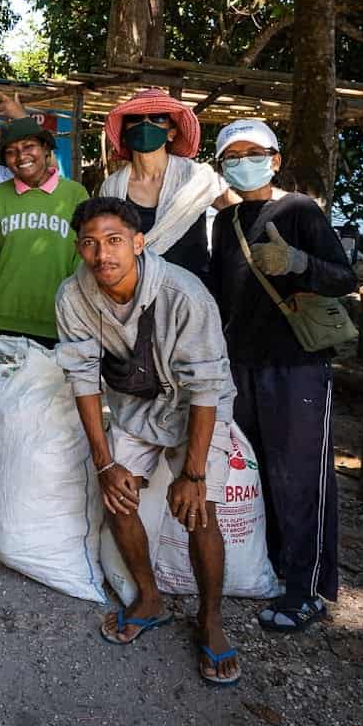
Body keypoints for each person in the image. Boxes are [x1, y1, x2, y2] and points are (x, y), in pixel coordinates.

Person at [55, 197, 241, 685]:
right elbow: (83, 379)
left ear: (138, 243)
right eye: (90, 244)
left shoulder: (185, 294)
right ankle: (150, 597)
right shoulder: (73, 295)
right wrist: (104, 463)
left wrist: (194, 473)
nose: (103, 255)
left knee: (200, 508)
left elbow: (206, 385)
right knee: (117, 495)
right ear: (79, 249)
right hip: (136, 403)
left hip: (196, 405)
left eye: (114, 240)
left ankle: (211, 620)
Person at [208, 119, 356, 634]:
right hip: (240, 365)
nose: (242, 162)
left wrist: (297, 261)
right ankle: (269, 567)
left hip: (296, 366)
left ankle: (308, 588)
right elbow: (218, 295)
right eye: (232, 155)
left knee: (301, 478)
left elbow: (344, 277)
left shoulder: (299, 210)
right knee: (257, 472)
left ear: (274, 159)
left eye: (253, 153)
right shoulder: (224, 224)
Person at [0, 116, 88, 346]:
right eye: (11, 152)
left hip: (60, 319)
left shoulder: (75, 194)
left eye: (28, 146)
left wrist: (78, 311)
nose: (21, 156)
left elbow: (83, 259)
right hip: (5, 321)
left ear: (45, 149)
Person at [98, 89, 231, 278]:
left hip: (191, 296)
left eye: (157, 117)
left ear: (171, 133)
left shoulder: (199, 177)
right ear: (125, 133)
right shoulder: (111, 187)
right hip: (134, 296)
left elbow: (242, 213)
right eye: (135, 118)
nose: (145, 124)